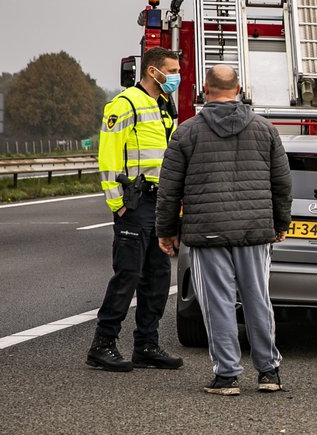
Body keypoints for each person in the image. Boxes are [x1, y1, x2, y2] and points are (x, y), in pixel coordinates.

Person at [155, 65, 292, 395]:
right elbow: (281, 183)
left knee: (217, 303)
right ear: (239, 89)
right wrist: (280, 223)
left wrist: (167, 231)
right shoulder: (265, 130)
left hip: (208, 231)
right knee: (257, 299)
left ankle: (227, 375)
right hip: (254, 231)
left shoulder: (186, 132)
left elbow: (169, 189)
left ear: (205, 89)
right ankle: (268, 372)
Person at [87, 46, 183, 372]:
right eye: (172, 71)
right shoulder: (124, 104)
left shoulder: (164, 105)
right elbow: (109, 155)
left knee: (158, 276)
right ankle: (102, 344)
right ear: (153, 71)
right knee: (128, 274)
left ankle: (146, 345)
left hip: (160, 202)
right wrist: (118, 204)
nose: (176, 77)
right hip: (135, 201)